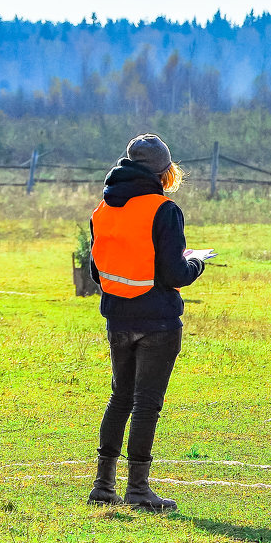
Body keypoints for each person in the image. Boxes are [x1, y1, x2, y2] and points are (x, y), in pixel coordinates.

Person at [87, 134, 210, 512]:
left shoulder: (102, 210)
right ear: (164, 170)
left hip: (117, 318)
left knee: (120, 398)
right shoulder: (164, 210)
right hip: (157, 321)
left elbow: (98, 271)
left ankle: (103, 486)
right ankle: (138, 491)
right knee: (146, 405)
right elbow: (174, 273)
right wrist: (197, 262)